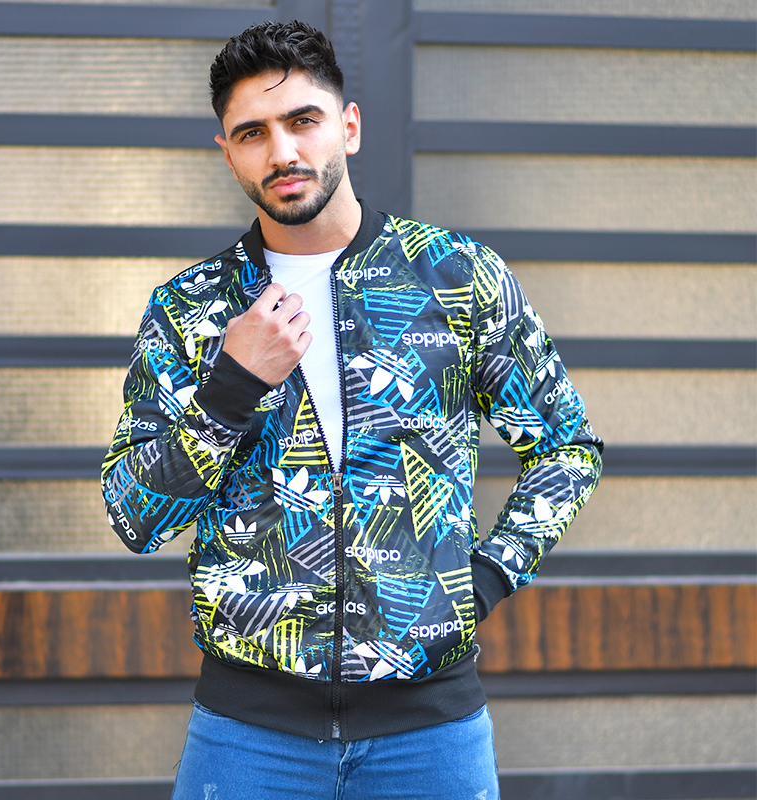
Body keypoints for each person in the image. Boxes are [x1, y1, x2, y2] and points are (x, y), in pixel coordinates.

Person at [101, 20, 603, 800]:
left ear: (349, 127)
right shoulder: (191, 308)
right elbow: (133, 515)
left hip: (429, 731)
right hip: (248, 735)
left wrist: (486, 577)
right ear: (228, 153)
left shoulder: (456, 276)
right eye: (253, 133)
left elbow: (568, 449)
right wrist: (231, 387)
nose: (283, 152)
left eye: (303, 120)